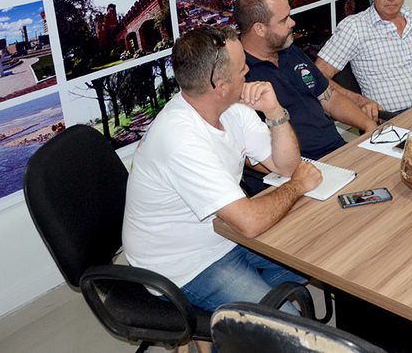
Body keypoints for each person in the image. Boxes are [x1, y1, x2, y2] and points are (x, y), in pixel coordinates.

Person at [122, 26, 323, 313]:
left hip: (225, 235)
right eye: (242, 69)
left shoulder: (230, 109)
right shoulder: (180, 140)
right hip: (185, 265)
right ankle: (242, 325)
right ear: (221, 86)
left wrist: (275, 111)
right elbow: (251, 222)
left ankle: (242, 321)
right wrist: (297, 186)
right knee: (287, 326)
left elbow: (287, 166)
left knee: (322, 251)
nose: (248, 71)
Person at [235, 0, 378, 163]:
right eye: (283, 20)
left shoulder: (290, 51)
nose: (292, 23)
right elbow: (247, 152)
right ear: (259, 29)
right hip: (298, 166)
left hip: (337, 151)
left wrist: (369, 126)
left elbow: (329, 98)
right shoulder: (238, 74)